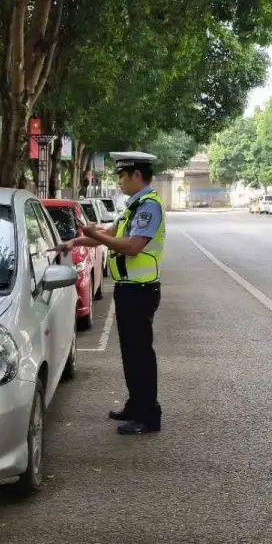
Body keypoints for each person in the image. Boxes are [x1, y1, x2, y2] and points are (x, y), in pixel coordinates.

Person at [52, 151, 165, 435]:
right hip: (129, 290)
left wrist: (96, 234)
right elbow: (107, 233)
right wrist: (74, 241)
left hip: (140, 291)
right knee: (130, 353)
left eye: (123, 176)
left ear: (137, 175)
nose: (120, 182)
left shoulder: (149, 207)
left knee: (140, 354)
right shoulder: (134, 206)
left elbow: (130, 246)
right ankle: (135, 405)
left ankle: (148, 415)